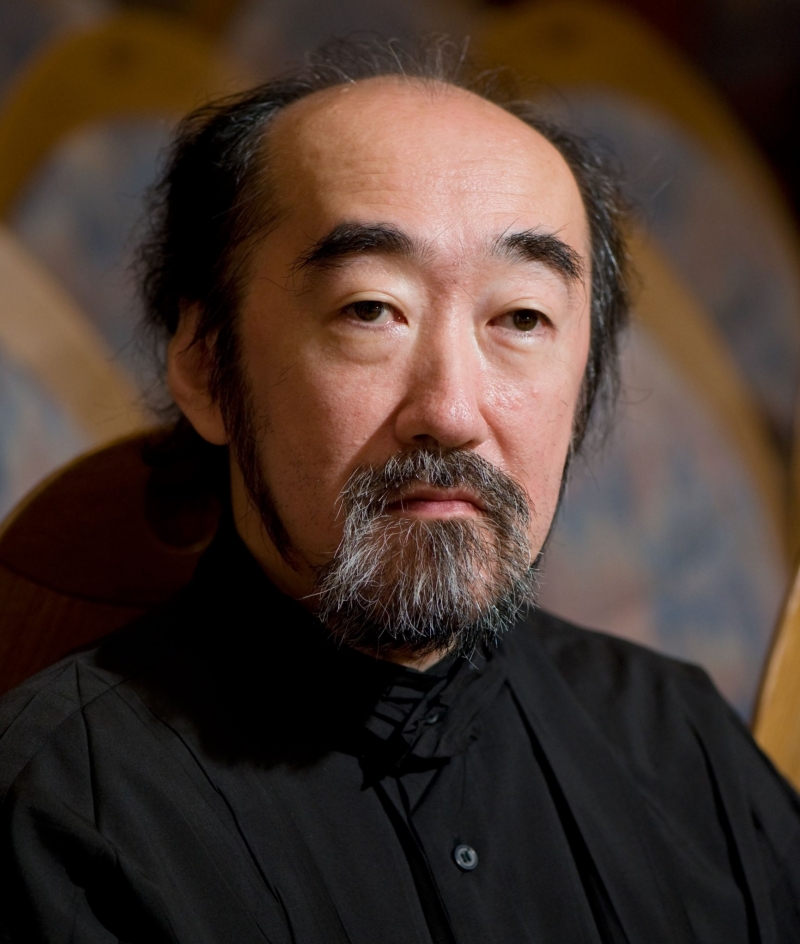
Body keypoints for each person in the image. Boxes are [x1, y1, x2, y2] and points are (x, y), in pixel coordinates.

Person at [1, 36, 798, 943]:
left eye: (521, 317)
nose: (451, 413)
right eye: (371, 310)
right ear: (206, 365)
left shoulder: (677, 741)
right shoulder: (65, 818)